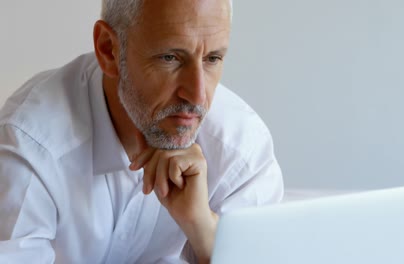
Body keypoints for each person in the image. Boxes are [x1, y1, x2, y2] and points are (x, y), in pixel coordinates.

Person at [0, 0, 283, 263]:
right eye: (170, 57)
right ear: (109, 49)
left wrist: (203, 228)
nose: (197, 96)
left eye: (212, 59)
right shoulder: (31, 147)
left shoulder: (239, 147)